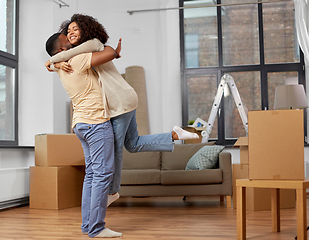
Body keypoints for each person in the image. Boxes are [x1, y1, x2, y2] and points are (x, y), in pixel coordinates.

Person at [45, 14, 199, 207]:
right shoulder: (79, 55)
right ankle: (174, 135)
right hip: (125, 98)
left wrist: (52, 61)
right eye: (68, 32)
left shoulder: (91, 45)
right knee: (132, 144)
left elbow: (99, 52)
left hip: (119, 102)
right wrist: (54, 64)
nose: (70, 34)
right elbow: (68, 58)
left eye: (75, 30)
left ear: (86, 30)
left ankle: (112, 191)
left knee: (116, 148)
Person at [51, 40, 123, 237]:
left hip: (81, 123)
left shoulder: (60, 68)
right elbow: (108, 52)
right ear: (61, 50)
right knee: (102, 174)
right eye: (68, 41)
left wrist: (53, 62)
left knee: (92, 175)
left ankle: (87, 226)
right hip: (96, 122)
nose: (74, 43)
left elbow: (52, 64)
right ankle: (96, 228)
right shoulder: (78, 59)